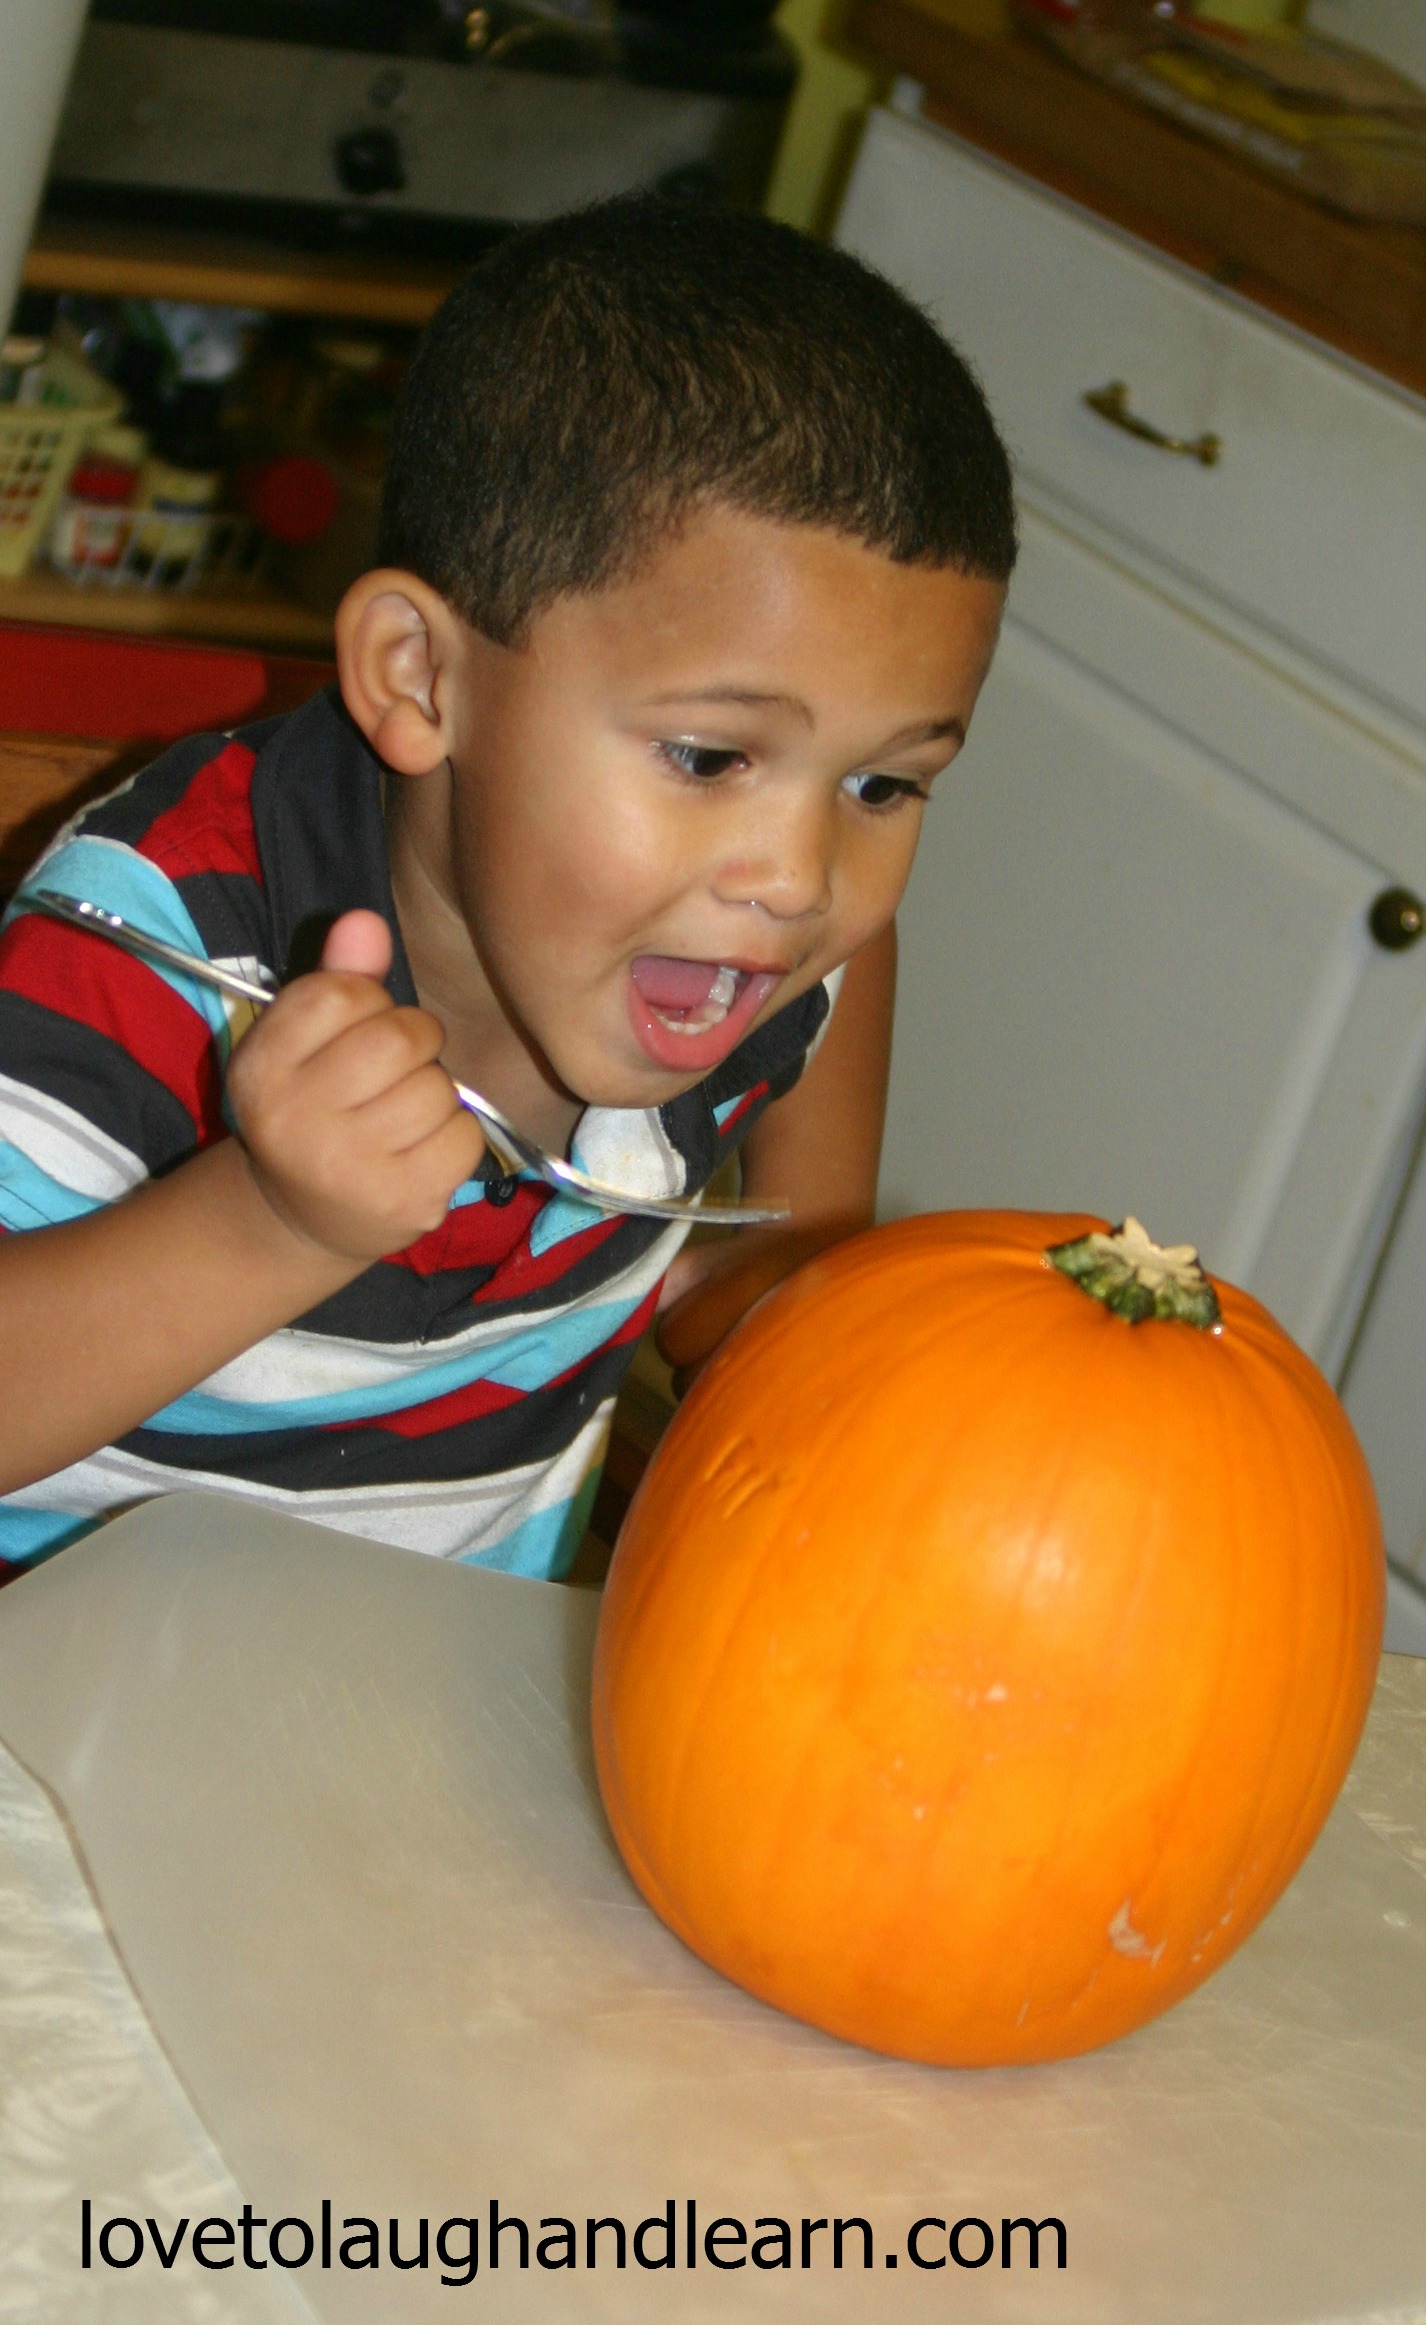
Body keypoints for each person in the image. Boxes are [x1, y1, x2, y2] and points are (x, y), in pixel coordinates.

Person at [0, 195, 1014, 1583]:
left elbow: (779, 1267)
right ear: (423, 677)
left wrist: (838, 1298)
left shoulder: (764, 959)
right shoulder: (159, 950)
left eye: (881, 786)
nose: (797, 883)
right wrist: (274, 1222)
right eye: (711, 755)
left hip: (415, 1722)